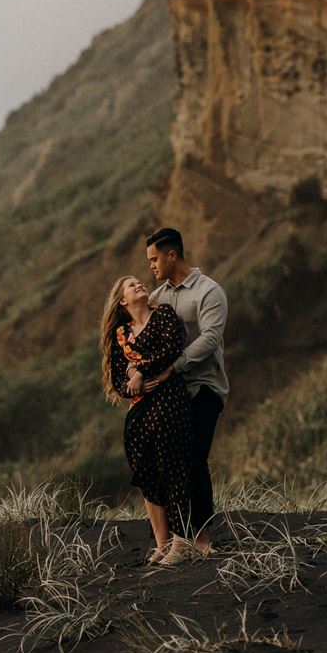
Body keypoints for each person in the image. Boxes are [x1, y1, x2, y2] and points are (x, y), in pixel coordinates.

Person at [135, 227, 227, 555]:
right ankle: (175, 539)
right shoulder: (158, 298)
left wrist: (173, 366)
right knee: (168, 463)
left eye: (155, 259)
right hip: (172, 395)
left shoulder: (209, 292)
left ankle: (202, 541)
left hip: (205, 386)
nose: (152, 266)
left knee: (195, 459)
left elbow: (210, 339)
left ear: (172, 255)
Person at [100, 274, 194, 565]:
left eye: (140, 281)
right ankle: (162, 542)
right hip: (141, 410)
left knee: (173, 465)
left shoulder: (163, 315)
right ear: (122, 300)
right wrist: (132, 376)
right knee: (146, 470)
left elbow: (172, 347)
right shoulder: (120, 335)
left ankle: (182, 541)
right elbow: (118, 378)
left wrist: (140, 370)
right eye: (131, 285)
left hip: (170, 400)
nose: (140, 284)